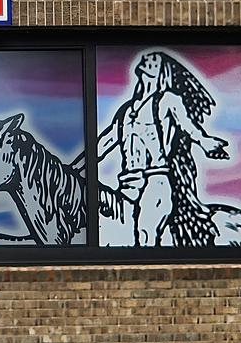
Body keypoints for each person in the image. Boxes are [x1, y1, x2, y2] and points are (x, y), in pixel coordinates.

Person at [93, 51, 229, 246]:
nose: (147, 58)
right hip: (128, 184)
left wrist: (207, 143)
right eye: (147, 58)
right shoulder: (126, 111)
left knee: (145, 231)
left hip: (156, 181)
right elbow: (104, 144)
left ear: (161, 71)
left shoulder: (168, 100)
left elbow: (189, 128)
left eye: (154, 59)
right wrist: (75, 167)